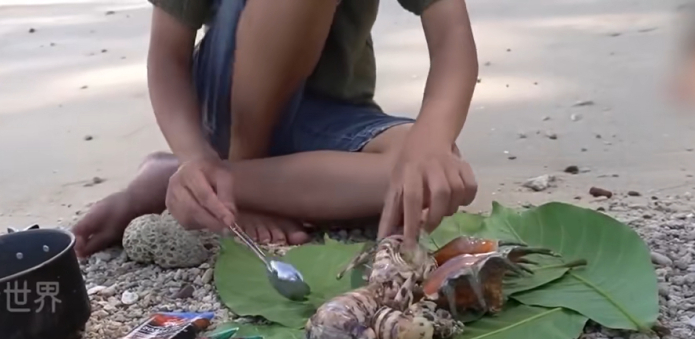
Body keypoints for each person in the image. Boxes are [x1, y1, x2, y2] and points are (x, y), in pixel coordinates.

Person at [73, 0, 479, 259]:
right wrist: (195, 153)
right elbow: (167, 57)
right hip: (232, 110)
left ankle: (197, 183)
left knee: (428, 172)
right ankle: (222, 174)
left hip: (330, 117)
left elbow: (451, 34)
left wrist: (432, 140)